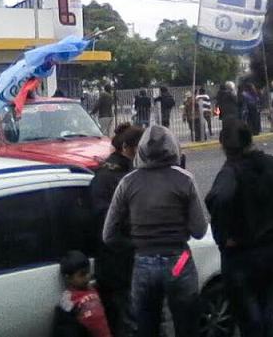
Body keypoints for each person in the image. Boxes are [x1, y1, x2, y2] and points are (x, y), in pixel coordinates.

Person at [205, 119, 273, 337]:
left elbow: (218, 198)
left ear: (224, 146)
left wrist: (223, 235)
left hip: (241, 256)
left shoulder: (231, 171)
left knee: (250, 322)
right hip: (272, 251)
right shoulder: (270, 164)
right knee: (266, 316)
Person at [103, 125, 208, 337]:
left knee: (146, 326)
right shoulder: (184, 179)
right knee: (186, 323)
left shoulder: (128, 181)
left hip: (144, 261)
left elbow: (108, 235)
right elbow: (199, 230)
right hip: (178, 261)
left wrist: (137, 242)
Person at [90, 123, 145, 337]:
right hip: (119, 263)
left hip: (119, 261)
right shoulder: (116, 177)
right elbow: (108, 223)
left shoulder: (117, 172)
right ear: (128, 148)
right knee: (127, 322)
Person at [54, 250, 113, 337]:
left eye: (88, 272)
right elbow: (66, 326)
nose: (87, 277)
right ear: (68, 278)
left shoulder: (92, 288)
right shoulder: (68, 298)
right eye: (82, 274)